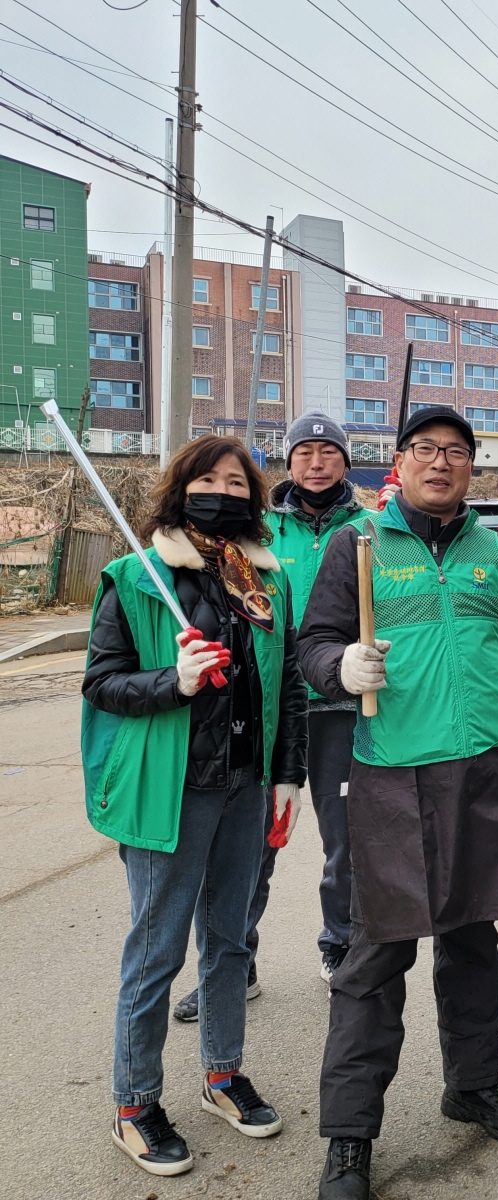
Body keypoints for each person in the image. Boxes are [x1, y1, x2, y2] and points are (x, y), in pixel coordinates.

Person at [297, 404, 498, 1200]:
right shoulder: (360, 547)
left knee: (474, 943)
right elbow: (313, 642)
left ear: (472, 467)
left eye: (456, 452)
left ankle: (472, 1085)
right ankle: (349, 1136)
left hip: (486, 770)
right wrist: (338, 666)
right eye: (426, 450)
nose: (441, 463)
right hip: (393, 774)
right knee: (376, 957)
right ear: (400, 463)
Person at [82, 435, 307, 1177]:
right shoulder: (134, 578)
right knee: (157, 951)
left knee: (230, 942)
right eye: (209, 478)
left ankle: (221, 1074)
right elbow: (103, 683)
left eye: (238, 482)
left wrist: (287, 775)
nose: (225, 491)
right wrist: (170, 683)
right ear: (181, 488)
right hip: (171, 792)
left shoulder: (262, 584)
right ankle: (134, 1102)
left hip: (245, 785)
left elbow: (290, 687)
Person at [171, 415, 367, 1024]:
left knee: (347, 842)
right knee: (251, 846)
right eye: (303, 451)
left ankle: (340, 945)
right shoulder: (255, 531)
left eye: (327, 452)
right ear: (288, 462)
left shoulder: (371, 529)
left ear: (343, 461)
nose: (315, 461)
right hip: (265, 708)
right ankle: (235, 963)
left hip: (341, 710)